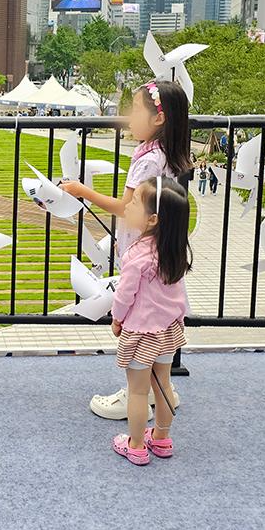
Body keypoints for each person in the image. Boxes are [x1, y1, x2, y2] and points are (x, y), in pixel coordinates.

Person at [58, 80, 192, 421]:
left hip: (141, 251)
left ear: (158, 119)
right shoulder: (167, 154)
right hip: (162, 250)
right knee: (159, 324)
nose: (128, 117)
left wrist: (81, 191)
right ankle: (165, 394)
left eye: (135, 109)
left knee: (138, 324)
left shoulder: (149, 160)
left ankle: (136, 395)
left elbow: (124, 206)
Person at [109, 177, 192, 466]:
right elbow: (179, 296)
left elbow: (124, 295)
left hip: (141, 333)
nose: (128, 204)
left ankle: (135, 445)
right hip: (168, 331)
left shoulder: (137, 256)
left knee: (138, 391)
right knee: (164, 386)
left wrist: (117, 319)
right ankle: (161, 438)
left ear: (153, 219)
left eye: (134, 203)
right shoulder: (174, 252)